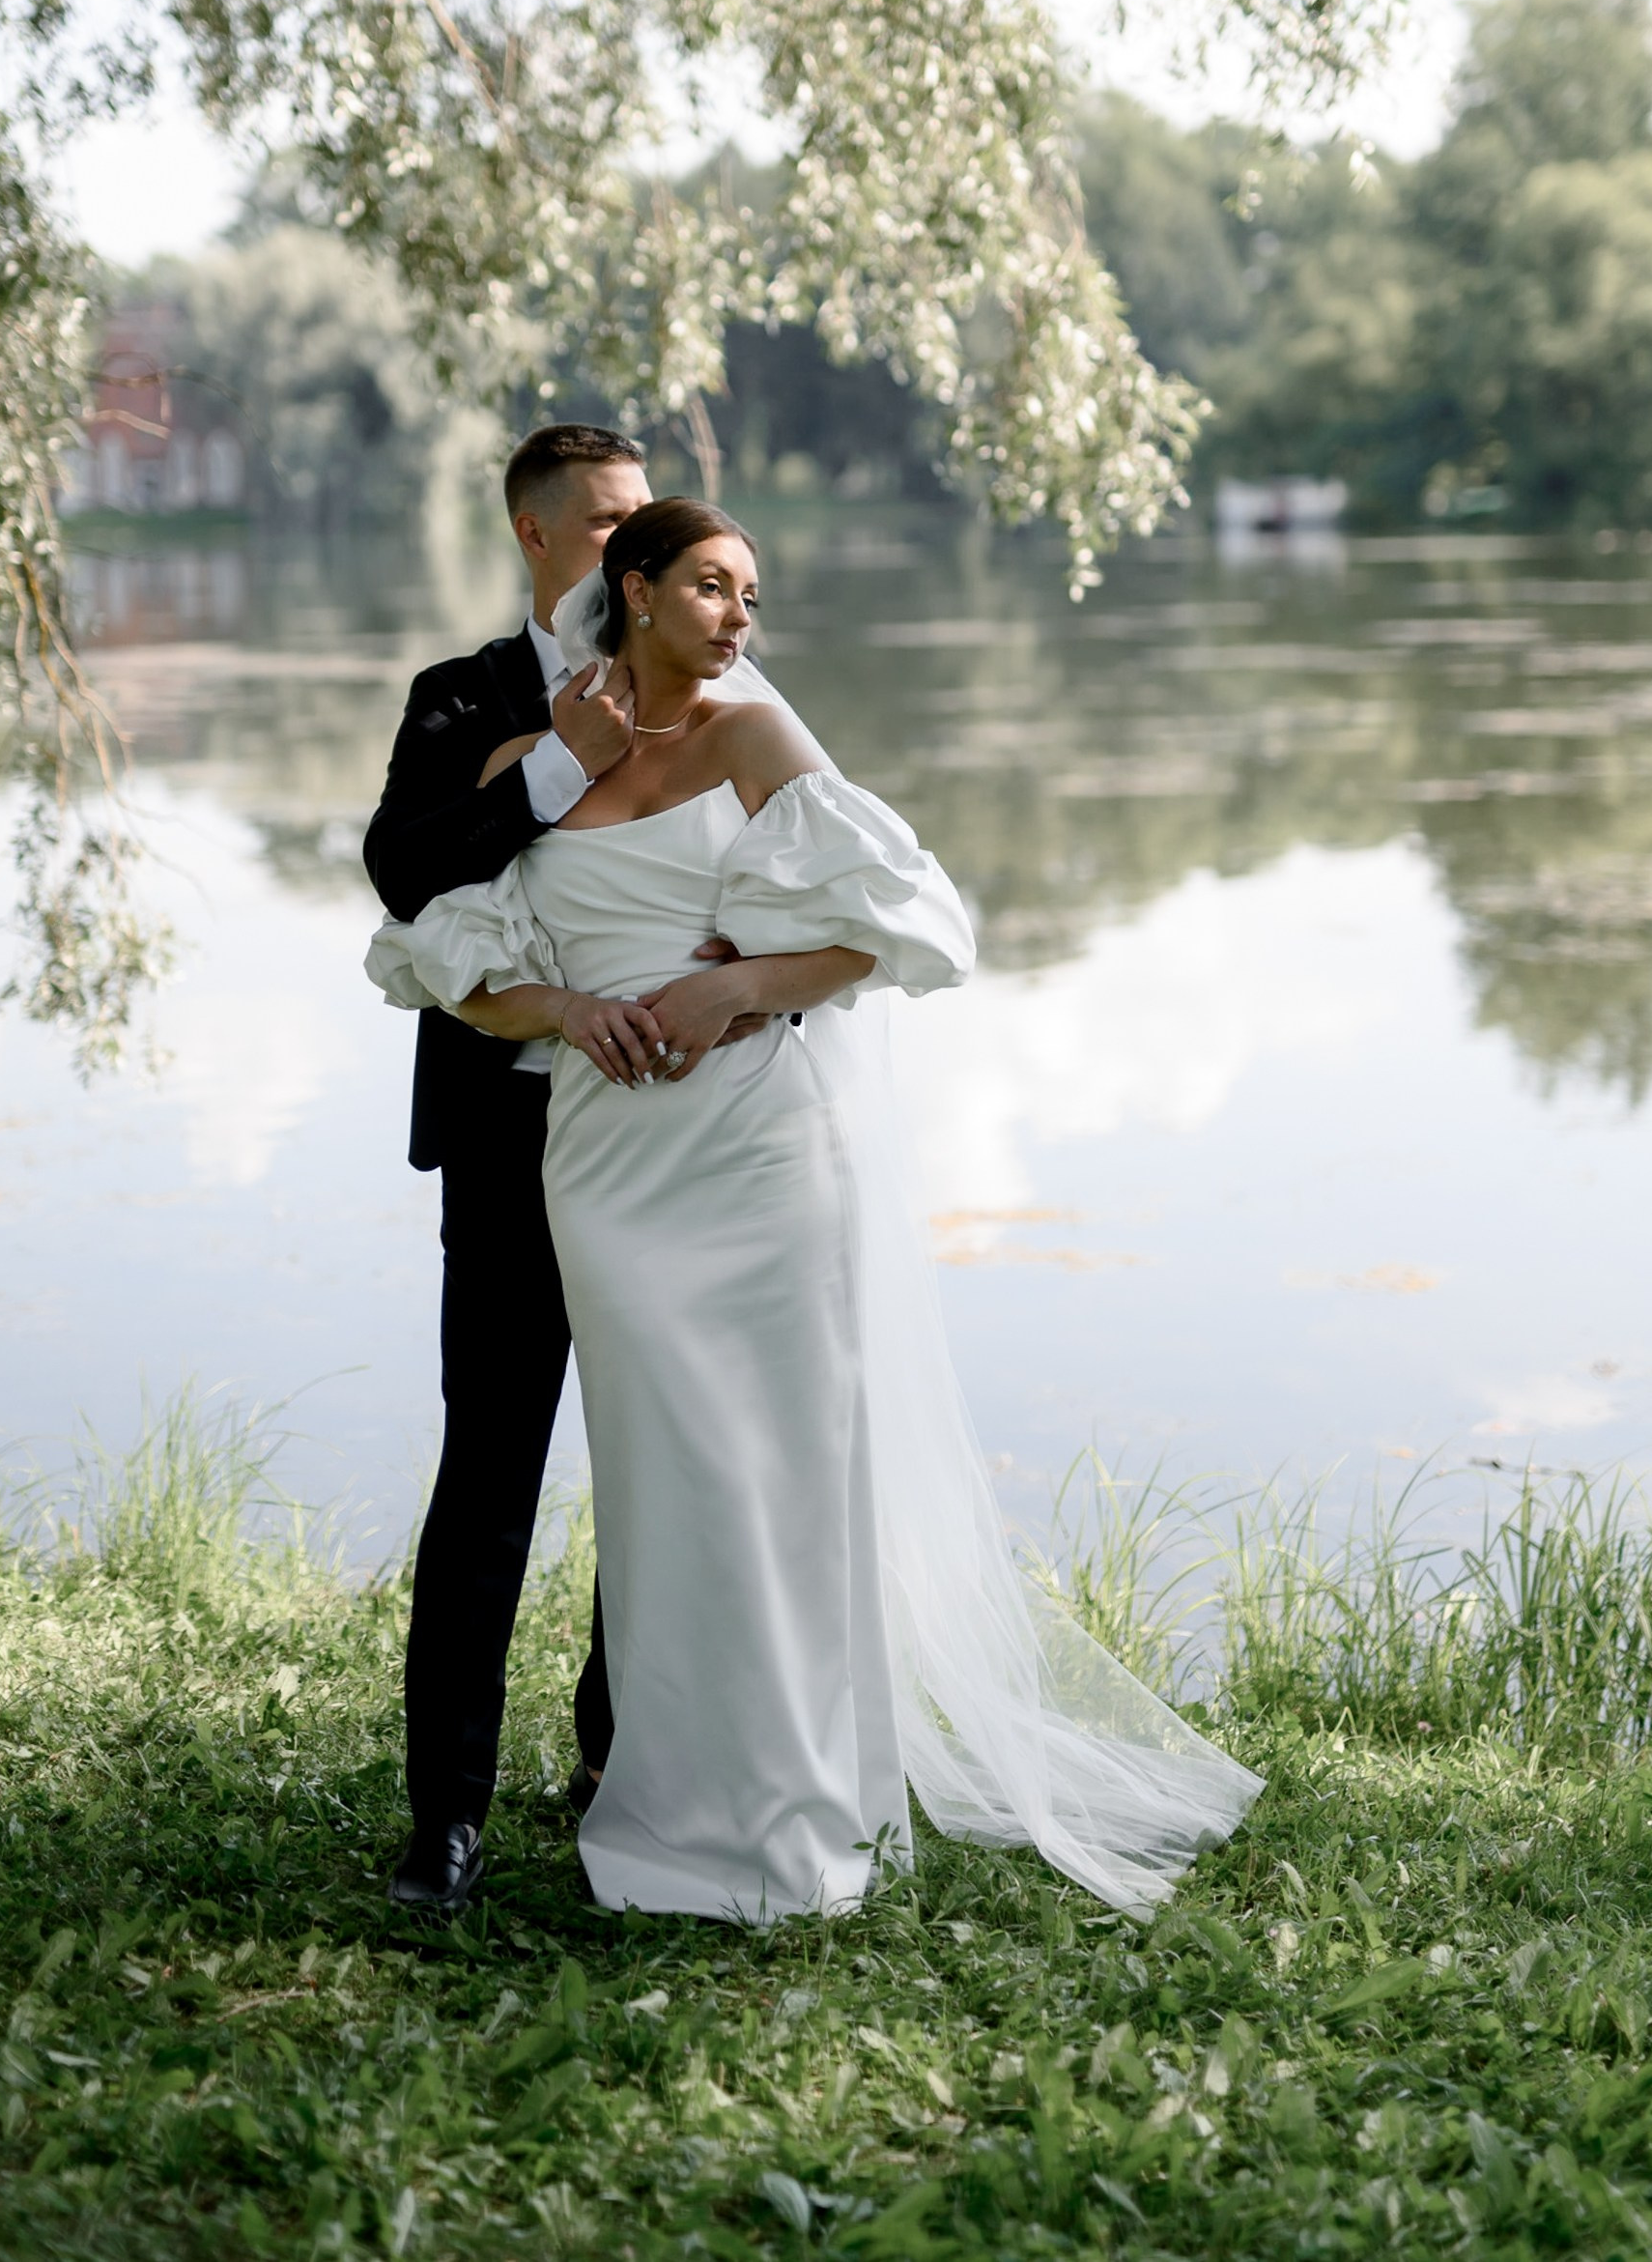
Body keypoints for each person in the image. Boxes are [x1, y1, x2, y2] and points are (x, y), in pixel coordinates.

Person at [369, 498, 1264, 1923]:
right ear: (636, 589)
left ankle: (786, 1811)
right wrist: (574, 1010)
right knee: (665, 1490)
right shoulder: (519, 759)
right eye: (714, 588)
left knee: (771, 1479)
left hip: (760, 1154)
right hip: (603, 1164)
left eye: (753, 597)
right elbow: (440, 956)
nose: (739, 617)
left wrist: (738, 984)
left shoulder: (758, 742)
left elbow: (912, 924)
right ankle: (658, 1803)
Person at [364, 425, 689, 1915]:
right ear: (542, 539)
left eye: (652, 527)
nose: (638, 551)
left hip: (670, 1149)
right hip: (504, 1150)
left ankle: (617, 1757)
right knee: (489, 1478)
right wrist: (564, 759)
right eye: (614, 525)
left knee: (663, 1469)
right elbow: (407, 870)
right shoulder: (458, 698)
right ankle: (445, 1819)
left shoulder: (707, 696)